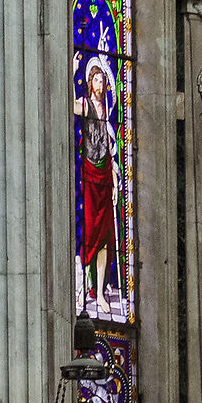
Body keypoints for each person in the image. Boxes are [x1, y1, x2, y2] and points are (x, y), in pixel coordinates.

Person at [74, 53, 120, 308]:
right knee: (90, 233)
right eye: (96, 81)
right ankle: (84, 287)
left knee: (104, 237)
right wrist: (72, 72)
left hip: (104, 174)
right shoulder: (85, 104)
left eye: (102, 81)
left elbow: (111, 148)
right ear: (90, 83)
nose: (100, 85)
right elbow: (69, 104)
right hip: (89, 174)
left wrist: (114, 179)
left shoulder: (108, 111)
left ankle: (100, 292)